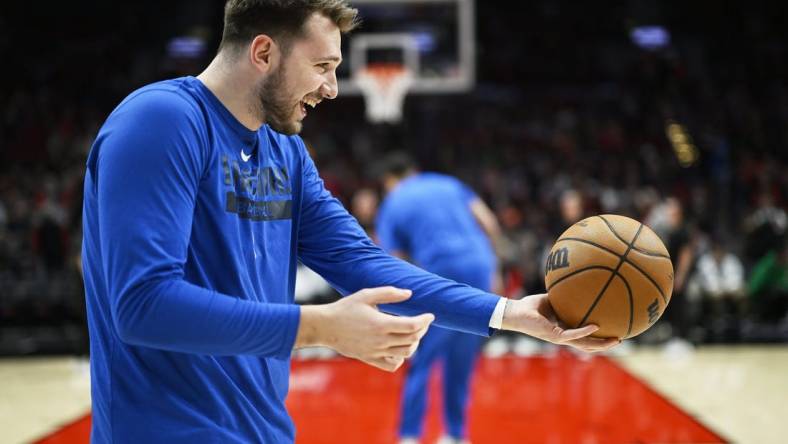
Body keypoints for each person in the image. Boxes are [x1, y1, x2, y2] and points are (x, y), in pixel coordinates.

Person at [81, 1, 619, 442]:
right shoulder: (162, 121)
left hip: (266, 431)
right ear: (263, 52)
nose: (334, 88)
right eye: (322, 67)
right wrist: (321, 327)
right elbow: (143, 305)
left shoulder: (285, 153)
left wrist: (510, 314)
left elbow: (364, 264)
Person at [374, 153, 502, 444]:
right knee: (461, 357)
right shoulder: (449, 184)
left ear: (389, 181)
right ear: (415, 170)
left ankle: (409, 435)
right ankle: (455, 435)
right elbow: (489, 222)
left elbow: (391, 260)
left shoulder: (393, 201)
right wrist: (494, 267)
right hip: (480, 266)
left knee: (422, 357)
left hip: (439, 272)